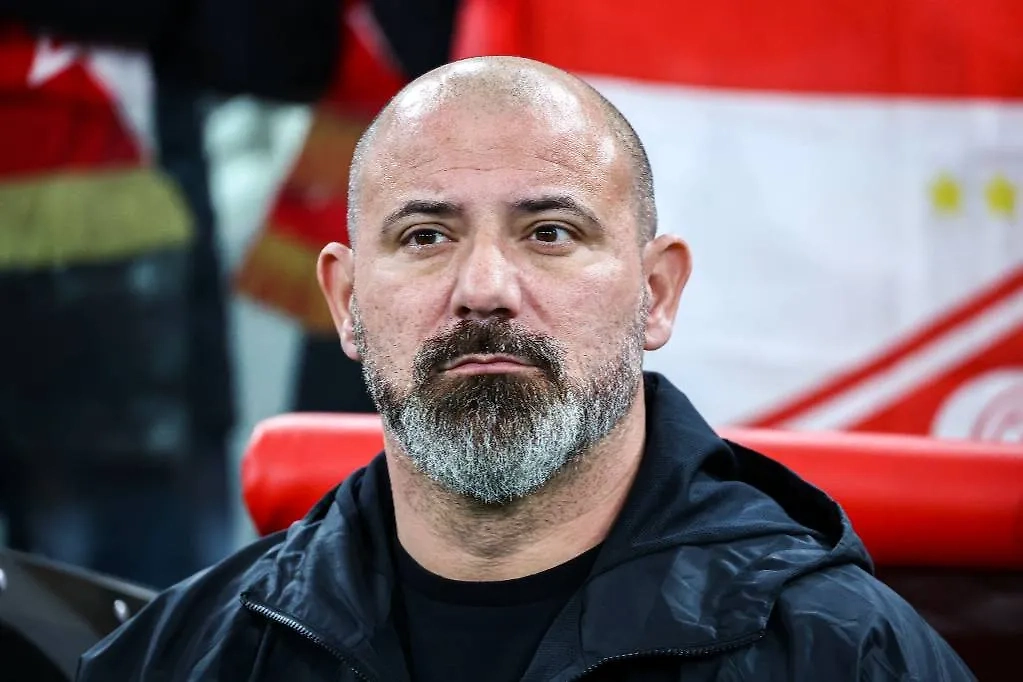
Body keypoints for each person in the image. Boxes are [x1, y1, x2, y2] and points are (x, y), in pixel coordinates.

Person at [77, 56, 975, 681]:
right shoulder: (180, 659)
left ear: (655, 294)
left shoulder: (843, 657)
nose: (484, 289)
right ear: (346, 303)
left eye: (549, 233)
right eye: (425, 236)